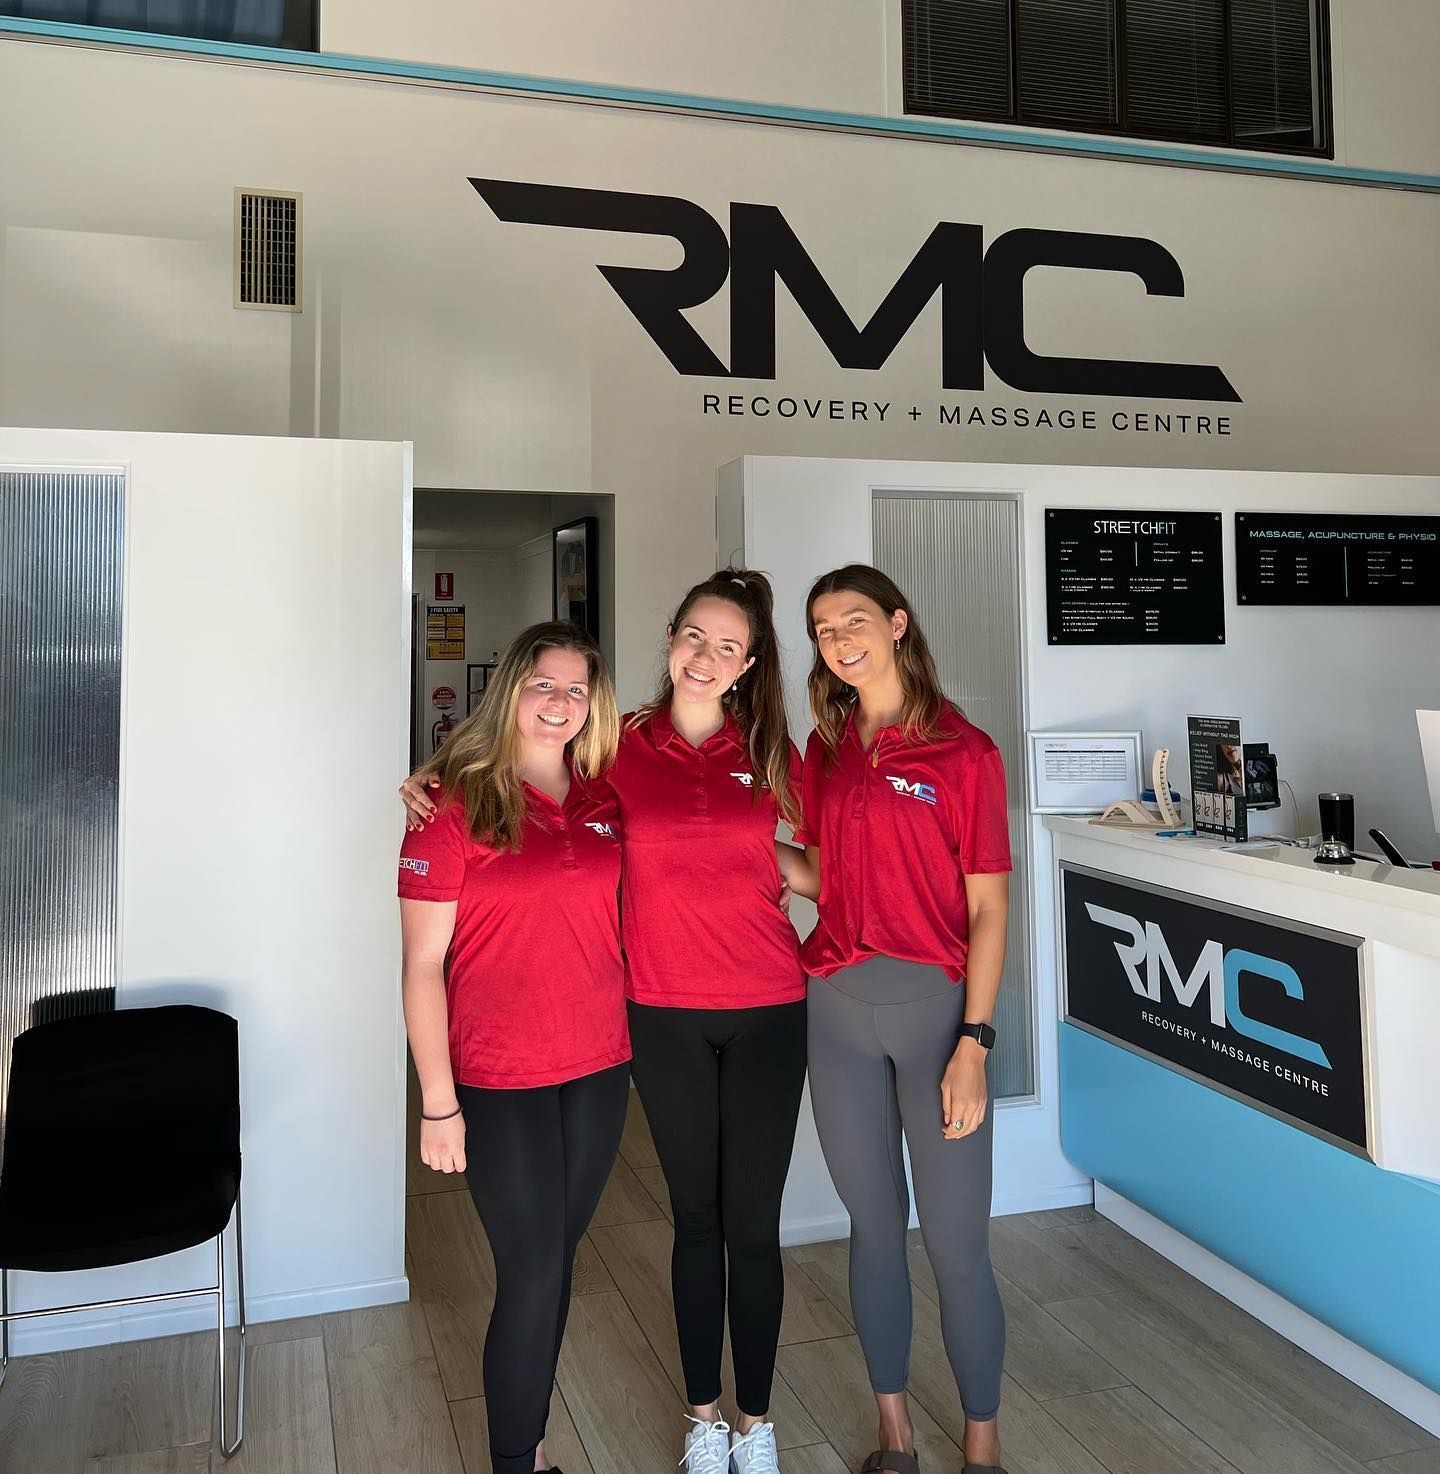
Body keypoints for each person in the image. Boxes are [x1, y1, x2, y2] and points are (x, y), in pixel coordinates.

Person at [403, 571, 806, 1474]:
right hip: (576, 1042)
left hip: (652, 1042)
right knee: (560, 1261)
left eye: (728, 647)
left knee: (618, 1246)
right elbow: (426, 950)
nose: (558, 703)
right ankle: (574, 1449)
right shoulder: (588, 758)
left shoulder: (705, 762)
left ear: (747, 666)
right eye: (694, 637)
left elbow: (785, 851)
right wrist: (437, 775)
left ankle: (716, 1424)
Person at [776, 564, 1013, 1474]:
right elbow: (825, 878)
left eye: (855, 620)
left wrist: (974, 1043)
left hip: (934, 1018)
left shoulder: (965, 753)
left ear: (899, 624)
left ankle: (982, 1449)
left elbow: (988, 911)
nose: (839, 639)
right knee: (872, 1228)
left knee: (957, 1245)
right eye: (823, 629)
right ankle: (896, 1437)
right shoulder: (824, 747)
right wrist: (758, 854)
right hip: (833, 1009)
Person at [398, 621, 628, 1474]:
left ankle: (527, 1450)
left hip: (601, 1064)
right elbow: (421, 966)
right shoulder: (452, 801)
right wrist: (437, 1102)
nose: (560, 703)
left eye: (576, 689)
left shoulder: (608, 795)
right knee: (532, 1272)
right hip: (498, 1076)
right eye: (543, 685)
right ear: (511, 692)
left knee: (556, 1262)